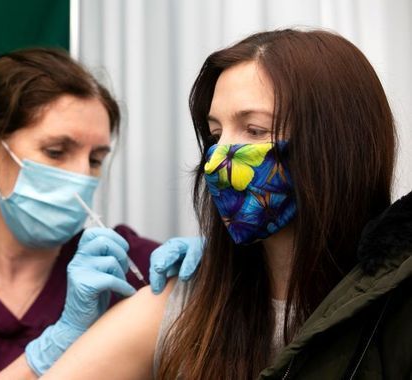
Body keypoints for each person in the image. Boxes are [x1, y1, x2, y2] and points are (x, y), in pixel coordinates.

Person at [39, 29, 412, 379]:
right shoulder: (191, 303)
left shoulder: (396, 311)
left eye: (254, 130)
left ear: (336, 148)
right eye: (216, 134)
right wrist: (63, 335)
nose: (217, 159)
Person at [0, 48, 203, 380]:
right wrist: (56, 345)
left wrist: (218, 275)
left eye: (96, 159)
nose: (83, 176)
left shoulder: (127, 265)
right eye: (56, 152)